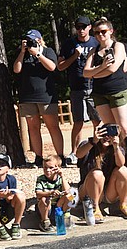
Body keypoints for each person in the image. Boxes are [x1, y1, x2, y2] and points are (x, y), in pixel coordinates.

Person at [13, 29, 66, 168]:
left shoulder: (48, 52)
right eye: (28, 40)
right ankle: (38, 157)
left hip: (46, 96)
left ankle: (60, 156)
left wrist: (37, 54)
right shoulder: (23, 54)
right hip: (27, 96)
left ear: (40, 40)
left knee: (53, 126)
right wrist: (23, 52)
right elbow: (16, 70)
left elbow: (52, 67)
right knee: (33, 128)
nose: (31, 42)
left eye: (33, 40)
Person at [58, 16, 101, 166]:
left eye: (84, 27)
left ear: (90, 27)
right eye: (78, 27)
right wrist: (74, 56)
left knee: (98, 121)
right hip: (76, 88)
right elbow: (60, 66)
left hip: (95, 88)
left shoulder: (96, 42)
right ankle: (75, 153)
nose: (81, 30)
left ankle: (99, 149)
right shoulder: (69, 44)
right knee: (78, 122)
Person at [83, 18, 127, 138]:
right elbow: (85, 73)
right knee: (111, 130)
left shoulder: (118, 46)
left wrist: (94, 73)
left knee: (125, 129)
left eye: (103, 31)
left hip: (117, 91)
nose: (100, 35)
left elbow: (113, 69)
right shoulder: (93, 51)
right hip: (99, 94)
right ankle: (116, 155)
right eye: (96, 32)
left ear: (111, 31)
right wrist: (103, 66)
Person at [75, 124, 127, 220]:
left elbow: (120, 164)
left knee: (123, 170)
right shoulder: (88, 144)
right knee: (97, 174)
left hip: (108, 192)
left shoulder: (117, 148)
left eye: (111, 134)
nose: (107, 137)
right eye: (104, 134)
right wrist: (93, 141)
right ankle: (95, 208)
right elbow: (78, 154)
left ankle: (124, 204)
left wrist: (116, 147)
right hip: (87, 191)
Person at [0, 153, 26, 241]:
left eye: (2, 164)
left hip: (8, 209)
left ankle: (16, 224)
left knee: (20, 195)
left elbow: (12, 198)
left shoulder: (11, 179)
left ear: (8, 168)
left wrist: (7, 197)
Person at [34, 155, 73, 232]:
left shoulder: (60, 179)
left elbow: (68, 190)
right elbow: (38, 193)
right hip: (46, 208)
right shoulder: (41, 179)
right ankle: (45, 221)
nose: (48, 170)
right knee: (44, 199)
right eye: (45, 168)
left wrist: (62, 176)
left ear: (58, 168)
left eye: (51, 168)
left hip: (58, 206)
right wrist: (50, 193)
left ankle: (65, 215)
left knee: (70, 196)